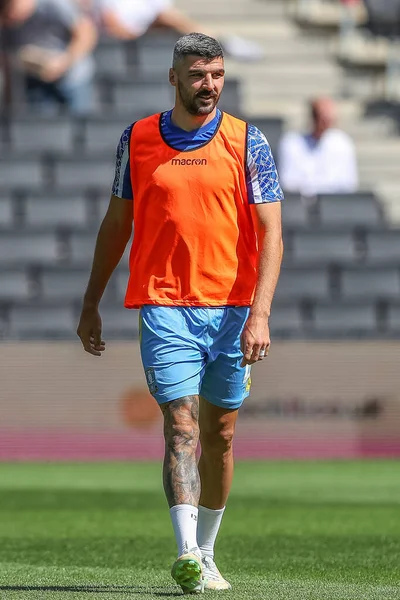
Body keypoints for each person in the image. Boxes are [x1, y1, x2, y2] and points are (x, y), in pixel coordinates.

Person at [77, 33, 283, 594]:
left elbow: (271, 232)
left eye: (216, 74)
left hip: (234, 310)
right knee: (182, 424)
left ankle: (209, 550)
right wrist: (91, 300)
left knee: (220, 432)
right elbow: (116, 224)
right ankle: (187, 552)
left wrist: (261, 313)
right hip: (164, 303)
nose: (209, 85)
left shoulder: (248, 141)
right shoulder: (138, 138)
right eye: (198, 75)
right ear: (174, 78)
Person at [81, 0, 264, 62]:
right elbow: (113, 25)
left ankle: (220, 43)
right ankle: (222, 43)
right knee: (170, 20)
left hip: (146, 31)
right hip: (122, 37)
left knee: (170, 20)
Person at [0, 0, 97, 115]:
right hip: (36, 81)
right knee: (44, 130)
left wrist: (64, 62)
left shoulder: (54, 4)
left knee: (78, 126)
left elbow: (86, 33)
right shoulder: (8, 20)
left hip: (72, 79)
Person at [278, 97, 358, 197]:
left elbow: (348, 183)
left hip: (333, 205)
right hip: (302, 206)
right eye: (321, 118)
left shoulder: (343, 143)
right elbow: (288, 182)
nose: (325, 123)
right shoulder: (291, 143)